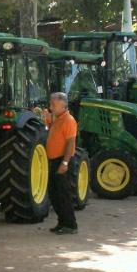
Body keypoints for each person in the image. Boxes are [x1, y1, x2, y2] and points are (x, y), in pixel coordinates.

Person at [44, 92, 78, 235]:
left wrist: (65, 162)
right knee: (54, 193)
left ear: (63, 105)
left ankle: (71, 225)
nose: (51, 107)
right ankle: (61, 222)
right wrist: (47, 119)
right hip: (54, 160)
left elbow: (70, 143)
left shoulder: (69, 120)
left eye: (53, 105)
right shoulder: (58, 119)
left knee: (63, 194)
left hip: (62, 160)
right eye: (51, 104)